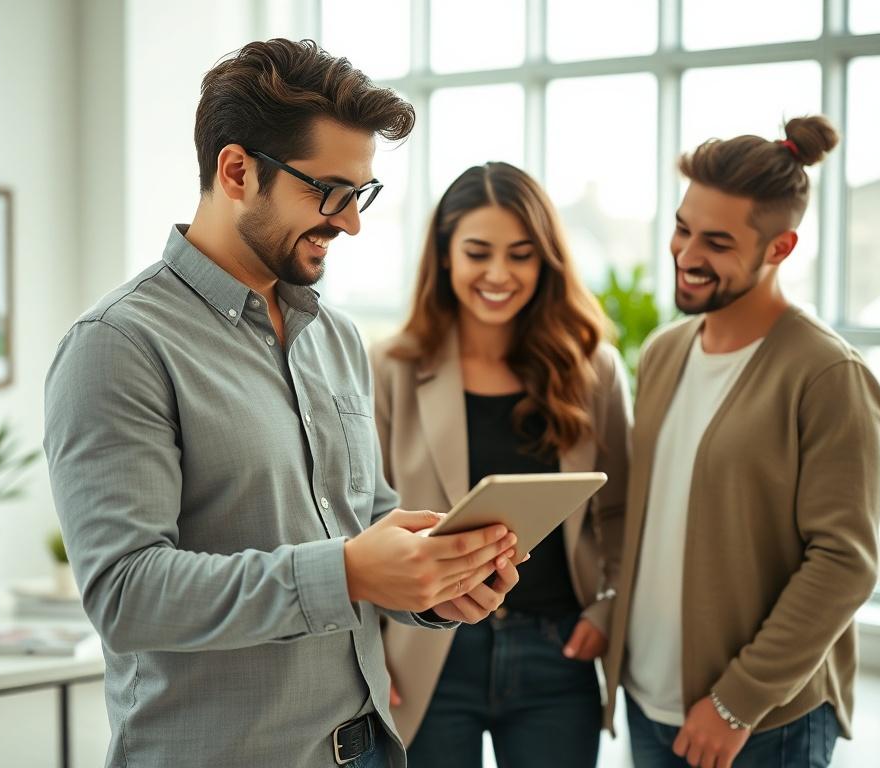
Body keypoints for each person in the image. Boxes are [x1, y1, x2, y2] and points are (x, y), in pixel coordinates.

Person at [43, 39, 522, 768]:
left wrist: (430, 584)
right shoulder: (118, 345)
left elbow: (361, 518)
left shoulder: (335, 336)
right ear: (237, 171)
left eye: (360, 195)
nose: (352, 222)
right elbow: (126, 592)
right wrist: (352, 571)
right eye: (329, 191)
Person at [603, 116, 880, 768]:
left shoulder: (827, 374)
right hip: (650, 702)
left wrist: (736, 701)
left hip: (760, 724)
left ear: (780, 249)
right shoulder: (666, 350)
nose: (686, 255)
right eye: (682, 228)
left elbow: (845, 562)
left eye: (718, 243)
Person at [370, 162, 631, 768]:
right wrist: (367, 654)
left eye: (520, 254)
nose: (498, 274)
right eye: (477, 252)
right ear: (444, 256)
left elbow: (619, 510)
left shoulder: (594, 370)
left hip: (557, 650)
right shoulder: (390, 368)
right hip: (427, 648)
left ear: (546, 262)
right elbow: (359, 521)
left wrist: (606, 608)